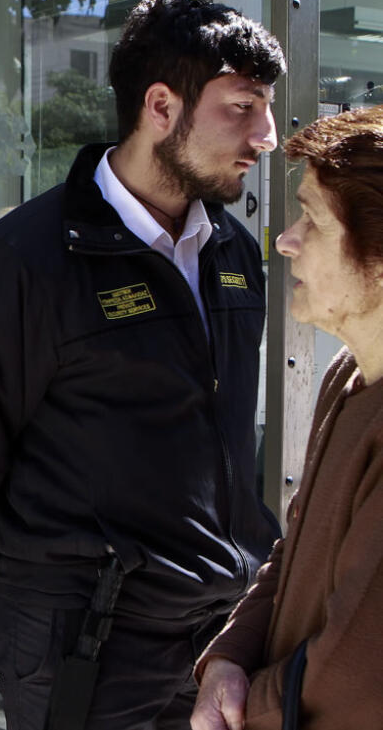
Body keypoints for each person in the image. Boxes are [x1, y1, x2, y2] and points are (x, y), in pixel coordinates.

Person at [0, 0, 285, 729]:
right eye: (242, 106)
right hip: (87, 647)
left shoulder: (235, 253)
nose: (266, 134)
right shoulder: (22, 260)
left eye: (266, 107)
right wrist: (16, 605)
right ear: (161, 106)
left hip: (222, 638)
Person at [191, 106, 383, 730]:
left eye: (313, 220)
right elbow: (294, 551)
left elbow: (355, 679)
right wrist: (228, 657)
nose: (285, 239)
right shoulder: (346, 375)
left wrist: (249, 708)